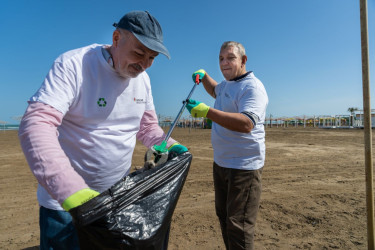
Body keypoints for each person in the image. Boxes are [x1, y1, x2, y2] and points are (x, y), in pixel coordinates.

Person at [18, 11, 187, 249]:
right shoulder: (74, 65)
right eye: (139, 53)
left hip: (115, 200)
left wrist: (170, 145)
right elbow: (36, 124)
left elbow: (147, 127)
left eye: (152, 58)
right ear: (116, 38)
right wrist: (71, 192)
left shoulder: (144, 80)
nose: (144, 64)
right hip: (66, 208)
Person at [186, 41, 268, 250]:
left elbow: (246, 123)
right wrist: (204, 76)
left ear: (243, 60)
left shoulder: (253, 87)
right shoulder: (226, 85)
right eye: (221, 58)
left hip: (244, 167)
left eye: (230, 57)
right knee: (224, 217)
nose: (224, 63)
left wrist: (207, 112)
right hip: (221, 163)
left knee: (238, 226)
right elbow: (215, 90)